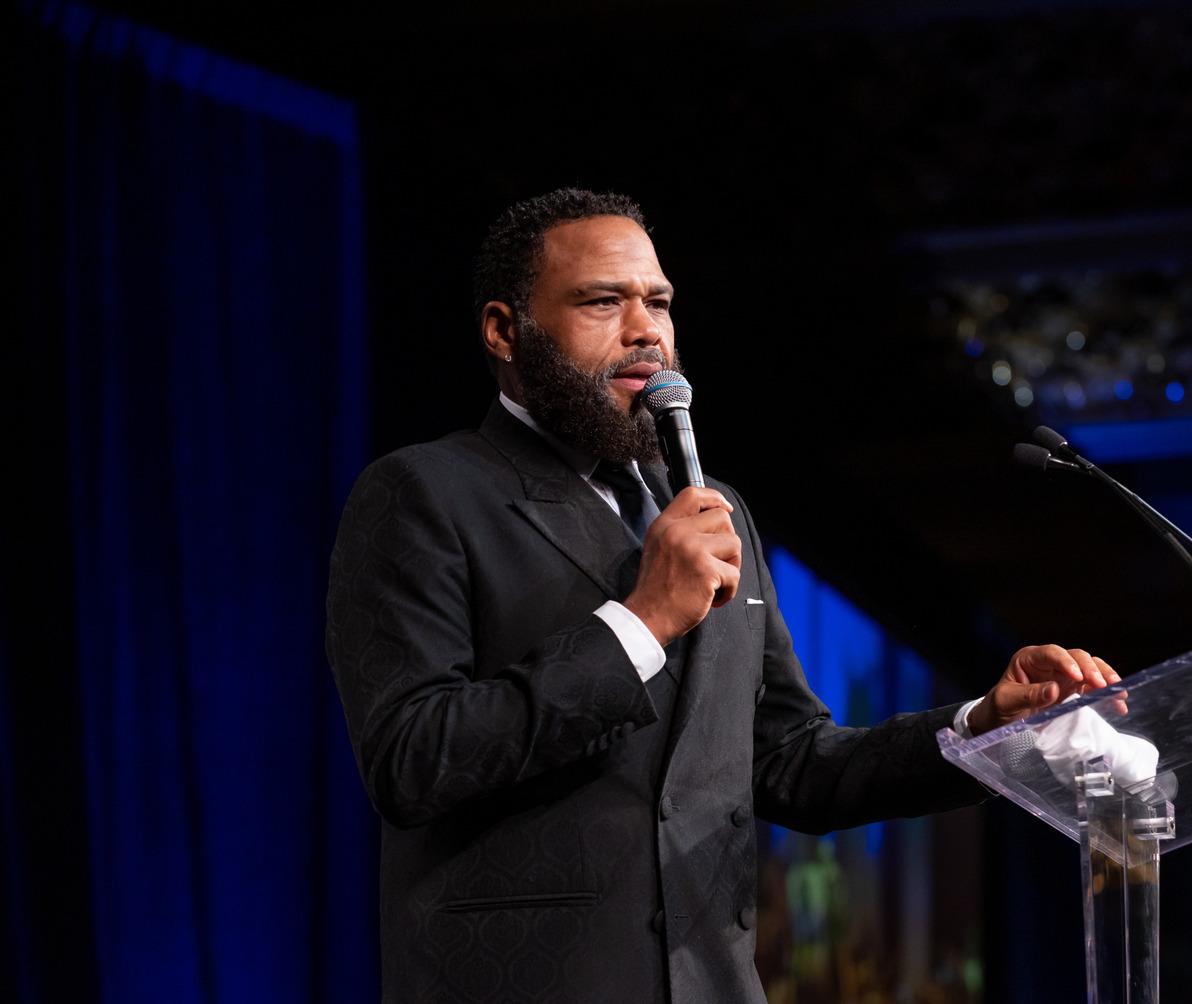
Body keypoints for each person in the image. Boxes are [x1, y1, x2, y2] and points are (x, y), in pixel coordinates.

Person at [325, 188, 1121, 1003]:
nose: (646, 330)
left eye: (659, 302)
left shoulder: (713, 508)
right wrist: (641, 623)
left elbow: (793, 764)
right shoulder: (425, 493)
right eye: (603, 301)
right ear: (504, 330)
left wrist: (981, 726)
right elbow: (412, 759)